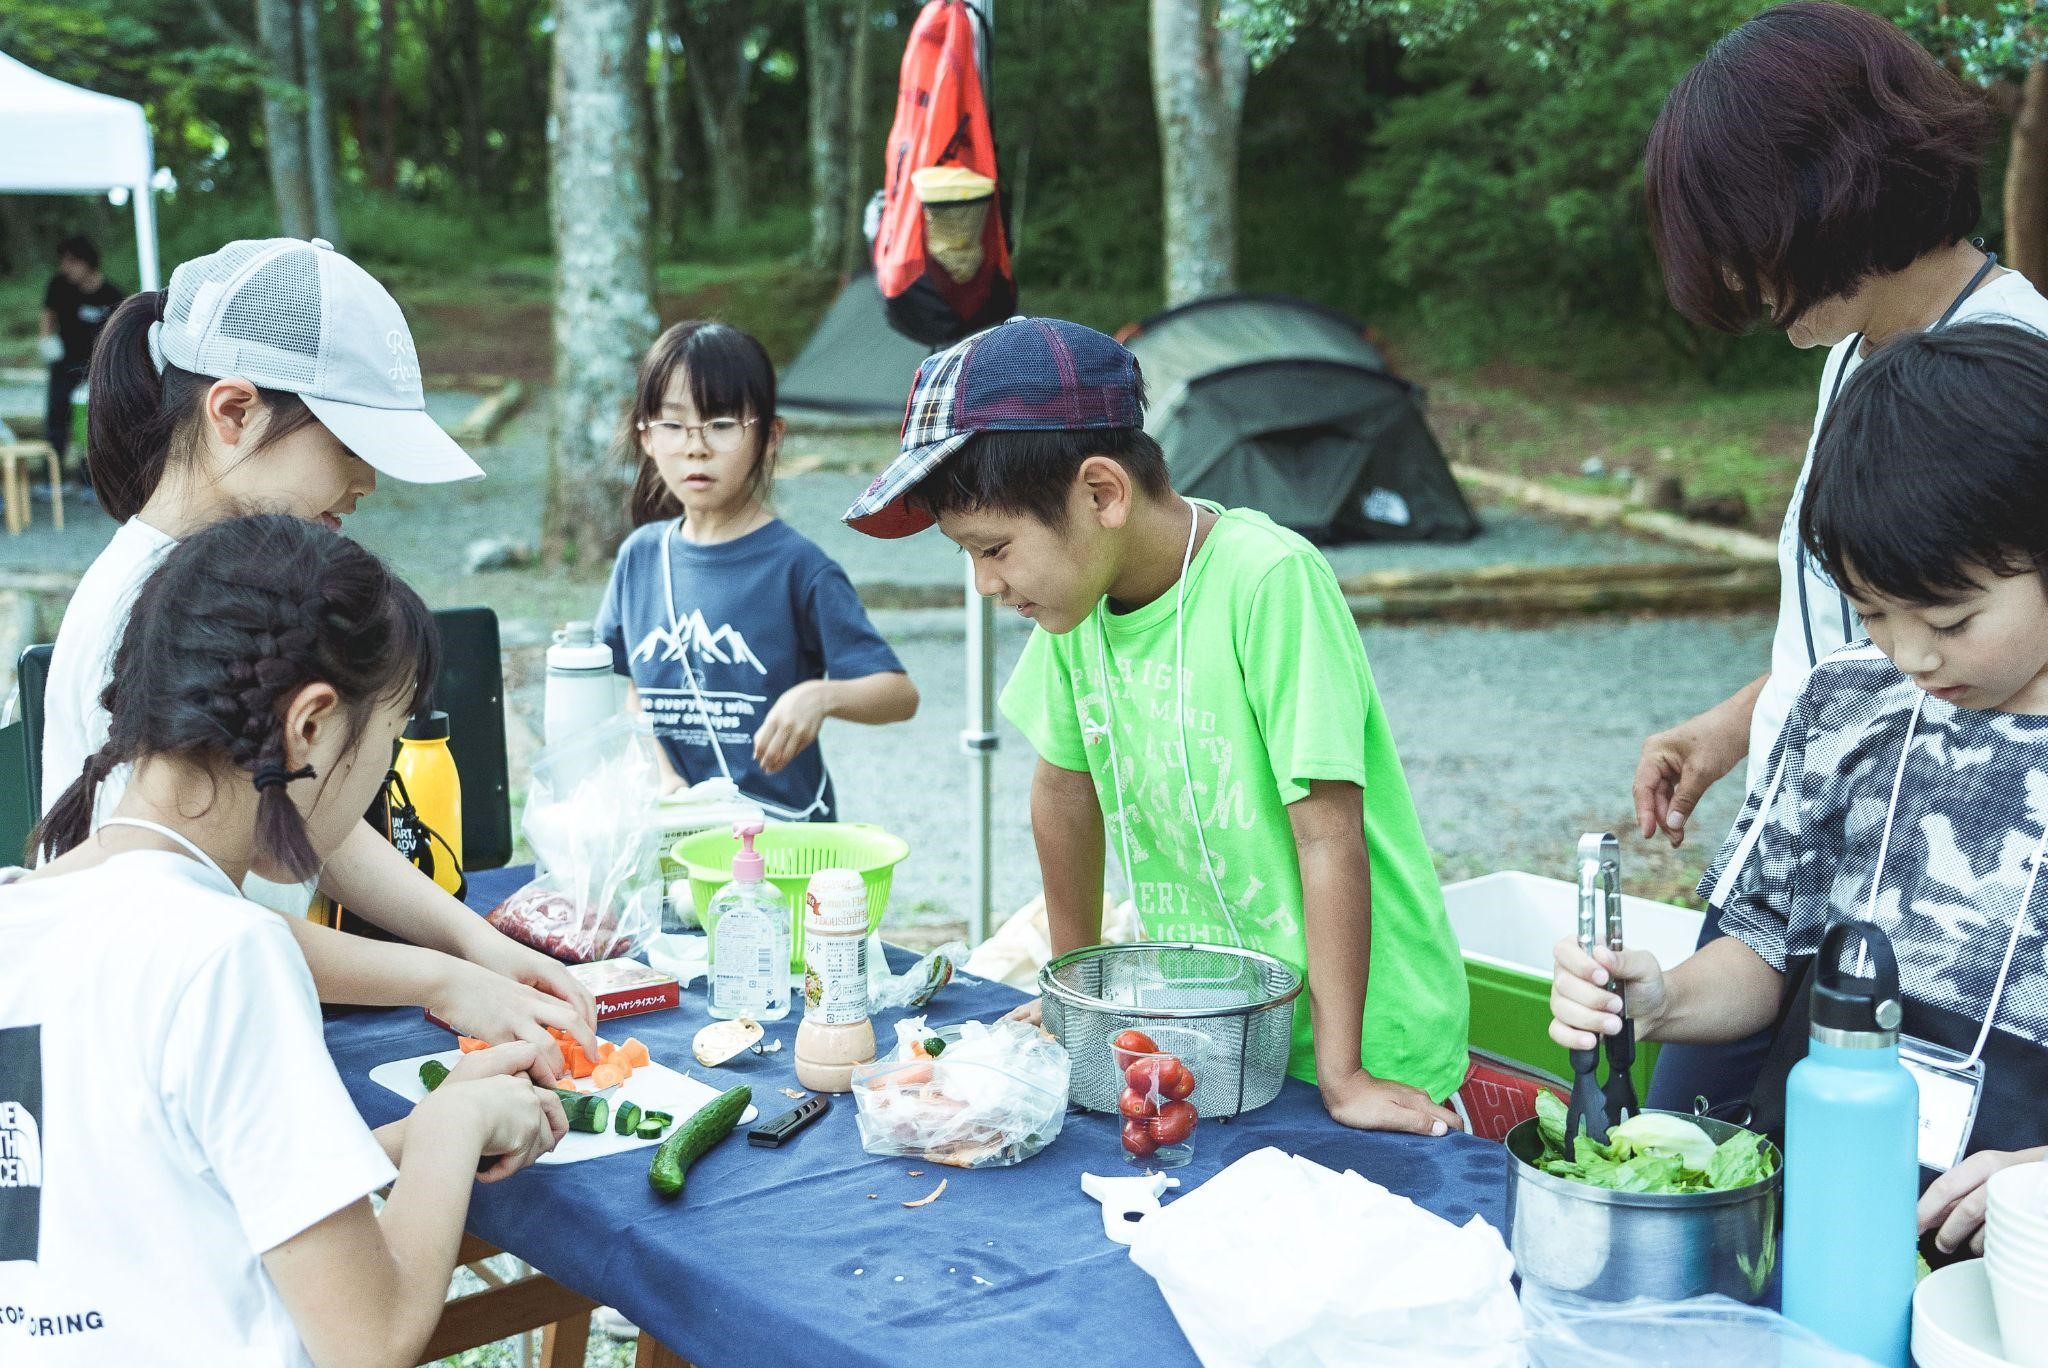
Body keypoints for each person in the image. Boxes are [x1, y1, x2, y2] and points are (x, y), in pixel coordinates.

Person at [843, 317, 1471, 1135]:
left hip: (1360, 1041)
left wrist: (1345, 1073)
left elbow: (1327, 835)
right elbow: (1063, 791)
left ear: (1101, 494)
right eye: (967, 555)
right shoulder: (1075, 608)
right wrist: (1075, 996)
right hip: (1207, 1028)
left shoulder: (1269, 582)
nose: (985, 584)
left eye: (993, 549)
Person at [0, 514, 566, 1364]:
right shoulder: (229, 953)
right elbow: (368, 1339)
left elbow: (154, 1202)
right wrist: (454, 1123)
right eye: (387, 741)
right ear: (310, 726)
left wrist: (406, 1143)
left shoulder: (18, 912)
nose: (377, 780)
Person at [1631, 0, 2048, 1112]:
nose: (1738, 281)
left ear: (1833, 191)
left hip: (1926, 921)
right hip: (1792, 873)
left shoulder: (2013, 376)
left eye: (1744, 242)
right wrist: (1741, 721)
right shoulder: (1857, 350)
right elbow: (1886, 622)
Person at [1554, 321, 2048, 1258]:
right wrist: (1659, 1002)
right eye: (1874, 612)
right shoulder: (1848, 700)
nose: (1912, 655)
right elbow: (1768, 946)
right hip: (1805, 1209)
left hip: (2012, 1257)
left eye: (1952, 619)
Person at [46, 237, 597, 1062]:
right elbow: (184, 922)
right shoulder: (147, 615)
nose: (368, 482)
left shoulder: (237, 586)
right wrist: (441, 980)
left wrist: (471, 940)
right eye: (348, 445)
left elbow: (303, 810)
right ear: (234, 413)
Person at [596, 321, 917, 820]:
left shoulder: (799, 568)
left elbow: (898, 695)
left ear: (770, 436)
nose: (696, 447)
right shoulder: (639, 557)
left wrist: (820, 696)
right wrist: (663, 775)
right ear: (646, 438)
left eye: (722, 424)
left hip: (779, 838)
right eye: (673, 425)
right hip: (671, 833)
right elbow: (633, 688)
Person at [38, 234, 122, 475]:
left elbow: (118, 333)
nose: (66, 268)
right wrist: (45, 341)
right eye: (63, 261)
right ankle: (51, 476)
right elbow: (48, 316)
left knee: (90, 422)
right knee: (56, 419)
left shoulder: (111, 294)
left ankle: (90, 477)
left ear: (87, 262)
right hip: (64, 364)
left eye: (72, 262)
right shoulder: (59, 286)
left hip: (95, 369)